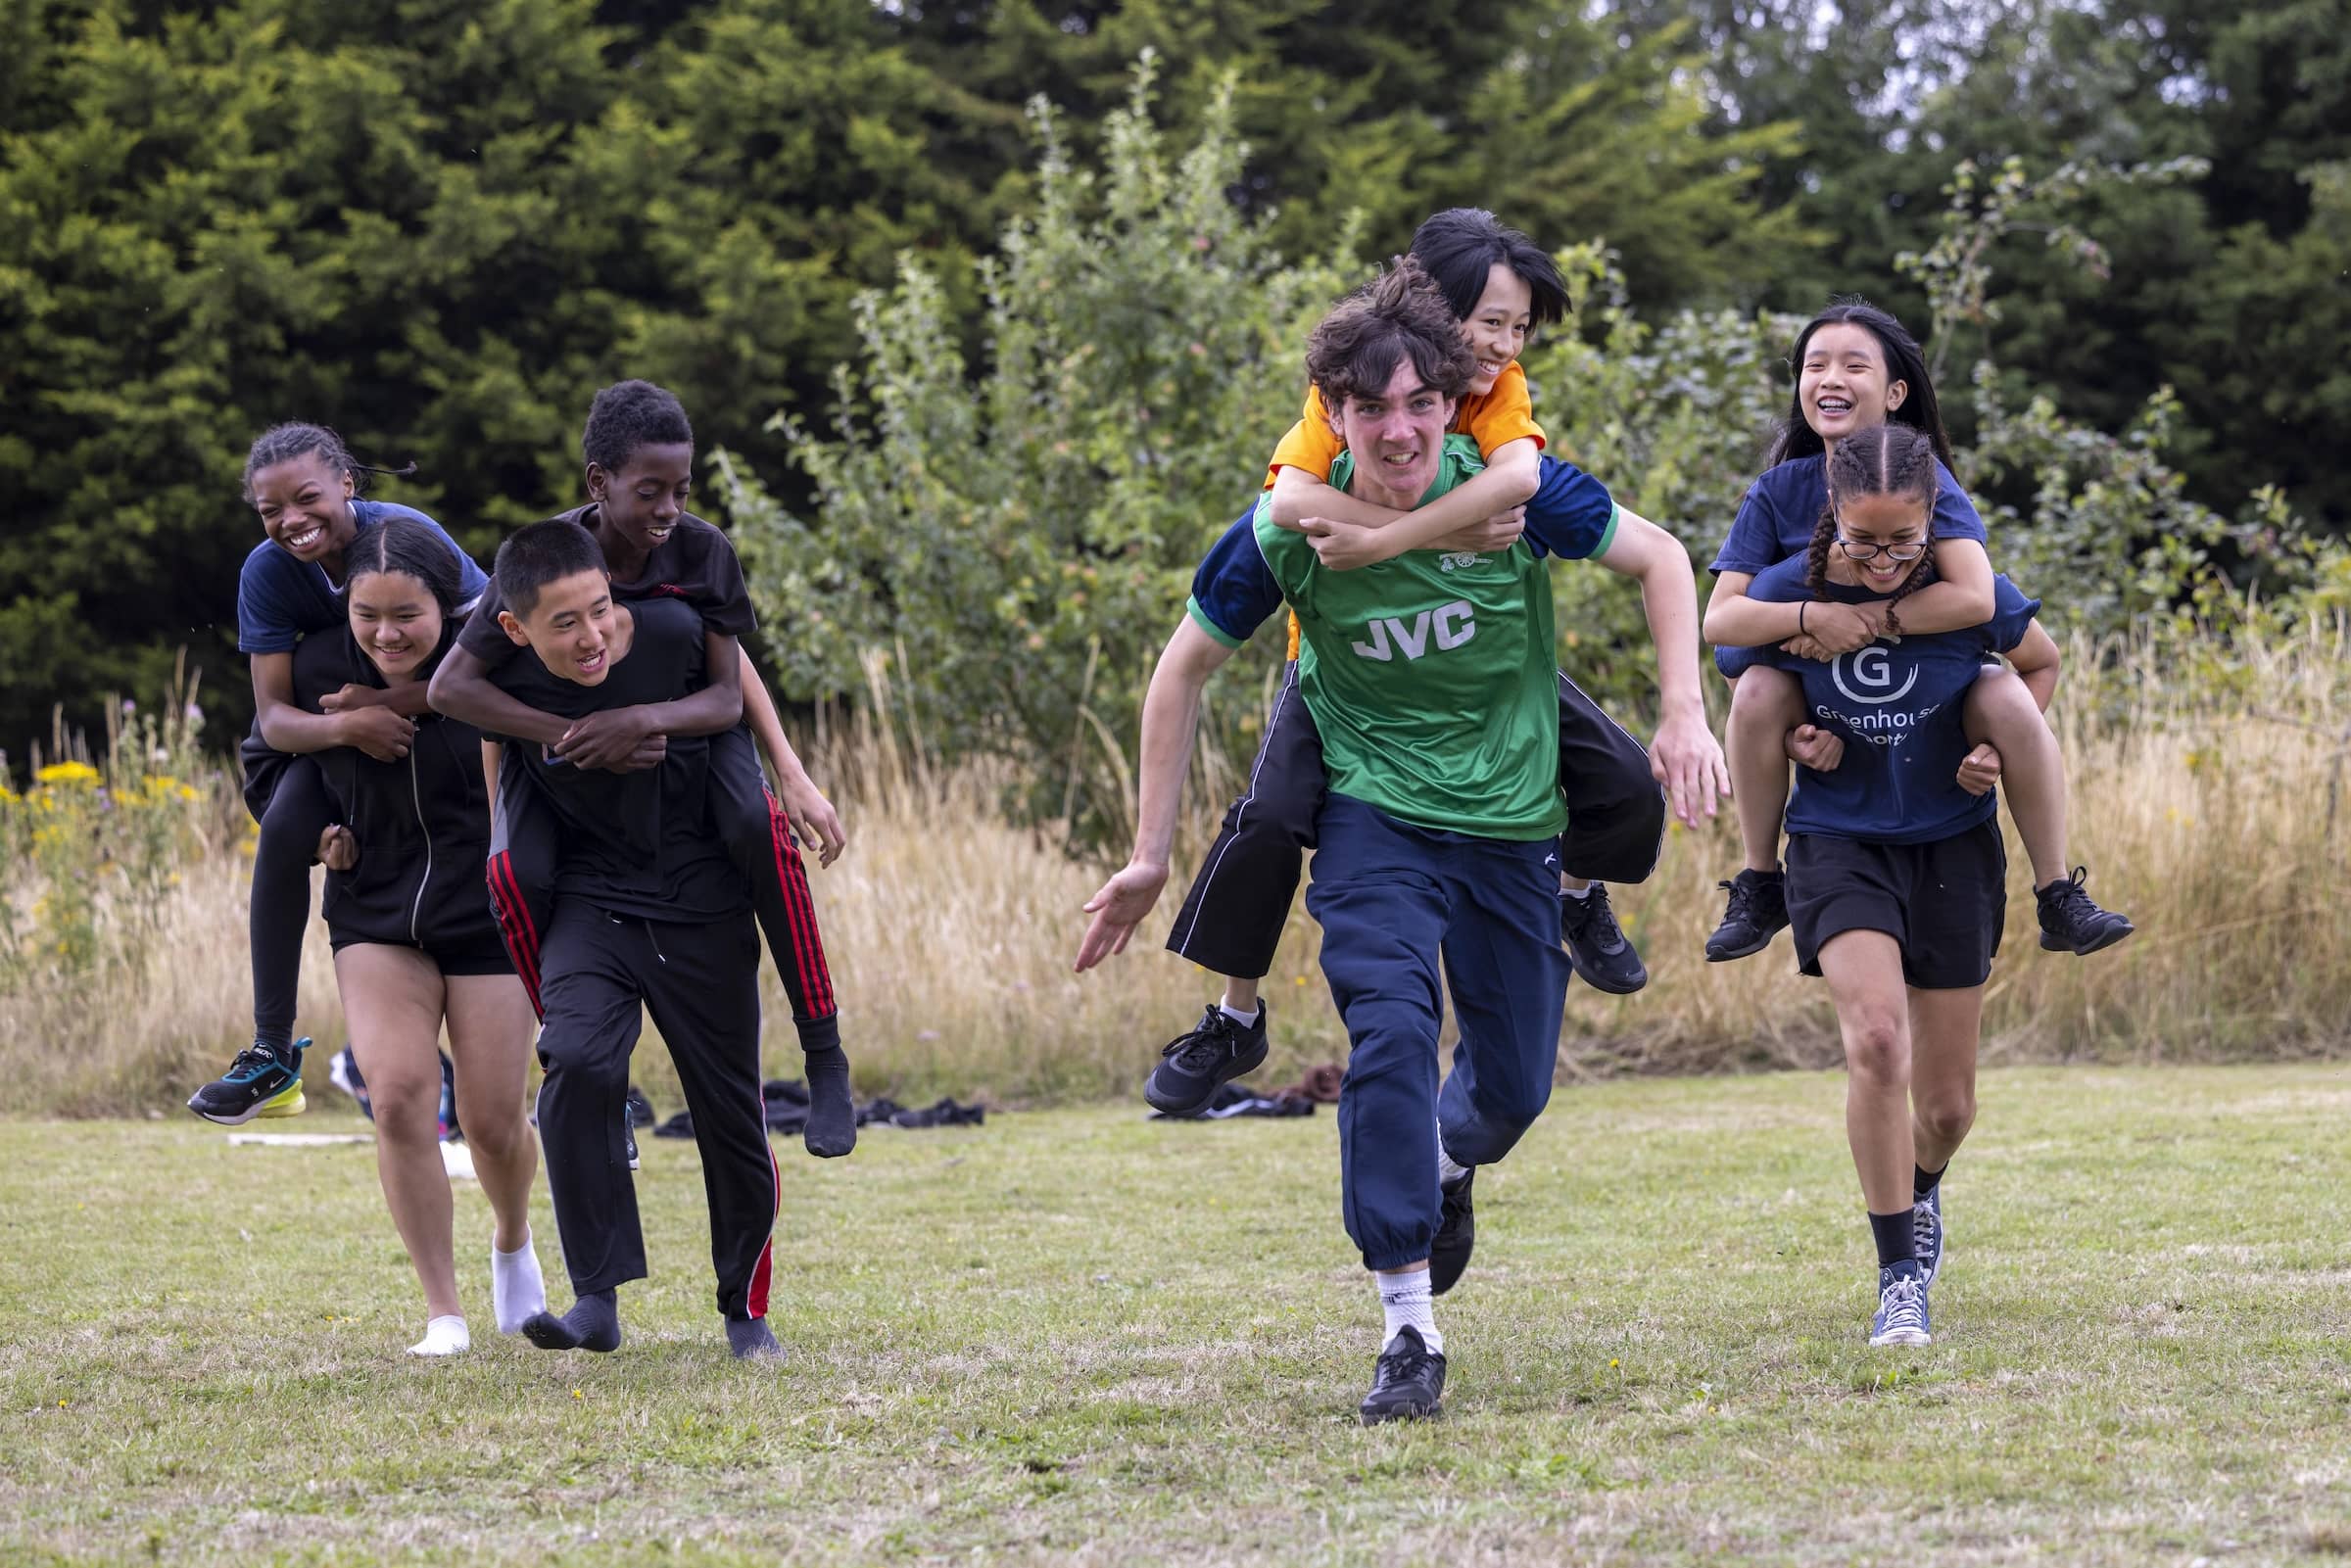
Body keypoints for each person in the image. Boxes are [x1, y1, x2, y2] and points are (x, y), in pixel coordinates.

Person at [1077, 261, 1720, 1422]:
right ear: (1332, 413)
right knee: (1389, 1032)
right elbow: (1180, 670)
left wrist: (1682, 706)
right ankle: (1409, 1325)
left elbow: (1663, 557)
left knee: (1512, 1091)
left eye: (1420, 401)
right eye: (1370, 407)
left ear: (1451, 401)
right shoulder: (1287, 523)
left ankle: (1443, 1166)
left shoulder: (1514, 497)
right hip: (1375, 818)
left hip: (1514, 821)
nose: (1399, 426)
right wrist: (1149, 849)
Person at [1141, 209, 1716, 1117]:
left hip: (1475, 664)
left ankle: (1573, 894)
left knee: (1625, 786)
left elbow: (1524, 487)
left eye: (1518, 326)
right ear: (1425, 309)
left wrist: (1684, 705)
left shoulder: (1501, 394)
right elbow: (1291, 498)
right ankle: (1233, 1013)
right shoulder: (1361, 381)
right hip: (1345, 670)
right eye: (1488, 321)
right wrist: (1395, 542)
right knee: (1269, 820)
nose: (1503, 344)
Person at [428, 382, 855, 1160]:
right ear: (599, 482)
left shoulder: (702, 550)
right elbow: (452, 687)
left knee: (757, 825)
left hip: (692, 731)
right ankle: (591, 1074)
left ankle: (823, 1047)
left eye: (681, 490)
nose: (668, 508)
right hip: (571, 762)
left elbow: (727, 692)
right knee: (513, 875)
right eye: (649, 490)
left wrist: (653, 725)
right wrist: (571, 735)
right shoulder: (549, 560)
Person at [1707, 420, 2063, 1347]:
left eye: (1901, 542)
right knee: (1874, 1039)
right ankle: (1898, 1274)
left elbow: (2041, 662)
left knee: (1948, 1109)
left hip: (1949, 840)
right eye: (1862, 541)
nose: (1880, 559)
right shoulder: (1794, 587)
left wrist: (1991, 747)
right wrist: (1797, 738)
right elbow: (1748, 674)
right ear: (1832, 517)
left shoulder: (1963, 587)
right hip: (1838, 836)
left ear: (1930, 521)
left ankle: (1923, 1186)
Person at [1700, 301, 2132, 963]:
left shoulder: (1932, 485)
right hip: (1824, 711)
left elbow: (1975, 598)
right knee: (1757, 685)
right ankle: (1760, 881)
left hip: (1934, 730)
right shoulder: (1777, 496)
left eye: (1853, 364)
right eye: (1814, 365)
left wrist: (1868, 623)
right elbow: (1725, 631)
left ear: (1895, 392)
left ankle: (2058, 891)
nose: (1829, 377)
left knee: (2003, 689)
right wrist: (1815, 618)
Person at [479, 519, 784, 1360]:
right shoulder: (506, 642)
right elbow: (452, 696)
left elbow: (735, 696)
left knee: (729, 1109)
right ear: (517, 628)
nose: (591, 634)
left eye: (600, 613)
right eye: (564, 622)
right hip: (591, 902)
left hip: (702, 901)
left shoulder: (684, 626)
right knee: (574, 1059)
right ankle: (595, 1299)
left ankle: (745, 1313)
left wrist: (789, 773)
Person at [186, 425, 489, 1126]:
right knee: (289, 824)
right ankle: (270, 1051)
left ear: (348, 484)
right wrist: (353, 726)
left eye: (307, 497)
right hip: (326, 744)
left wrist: (383, 703)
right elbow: (276, 719)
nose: (291, 519)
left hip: (437, 724)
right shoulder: (266, 572)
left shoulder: (412, 537)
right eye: (271, 510)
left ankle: (594, 1060)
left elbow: (488, 666)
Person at [294, 518, 546, 1355]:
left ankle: (512, 1239)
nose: (386, 634)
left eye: (408, 615)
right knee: (397, 1093)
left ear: (450, 606)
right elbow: (272, 765)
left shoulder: (492, 667)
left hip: (487, 912)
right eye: (369, 614)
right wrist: (313, 832)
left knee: (493, 1120)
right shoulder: (321, 665)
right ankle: (444, 1313)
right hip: (374, 910)